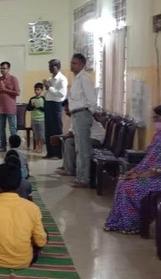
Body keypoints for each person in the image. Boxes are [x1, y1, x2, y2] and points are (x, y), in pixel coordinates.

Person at [104, 104, 161, 234]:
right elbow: (149, 160)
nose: (155, 121)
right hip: (154, 175)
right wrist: (135, 171)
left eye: (158, 118)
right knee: (122, 181)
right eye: (154, 118)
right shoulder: (160, 135)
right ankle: (119, 222)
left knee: (129, 187)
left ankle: (133, 225)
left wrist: (139, 176)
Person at [52, 100, 105, 176]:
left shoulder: (81, 116)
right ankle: (66, 166)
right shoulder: (76, 115)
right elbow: (72, 132)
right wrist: (60, 137)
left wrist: (58, 137)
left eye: (67, 110)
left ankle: (70, 170)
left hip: (96, 139)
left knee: (69, 141)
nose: (66, 113)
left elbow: (72, 134)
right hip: (88, 137)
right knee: (65, 140)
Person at [69, 54, 98, 188]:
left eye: (74, 63)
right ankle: (80, 176)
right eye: (72, 62)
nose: (72, 65)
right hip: (76, 115)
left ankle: (84, 179)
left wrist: (87, 113)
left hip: (82, 115)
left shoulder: (85, 78)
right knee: (79, 148)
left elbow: (91, 100)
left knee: (83, 148)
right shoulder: (76, 78)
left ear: (82, 65)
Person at [42, 59, 69, 159]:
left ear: (57, 66)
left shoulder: (62, 79)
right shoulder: (51, 78)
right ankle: (50, 152)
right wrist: (46, 88)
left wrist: (49, 88)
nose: (49, 68)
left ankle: (58, 154)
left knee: (56, 129)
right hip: (48, 103)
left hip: (56, 105)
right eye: (49, 66)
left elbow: (62, 94)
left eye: (51, 66)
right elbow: (48, 92)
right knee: (48, 129)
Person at [0, 61, 21, 152]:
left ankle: (14, 148)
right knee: (1, 129)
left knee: (12, 128)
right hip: (0, 108)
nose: (2, 70)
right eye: (1, 68)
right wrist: (0, 90)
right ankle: (3, 147)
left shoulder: (13, 79)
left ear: (8, 69)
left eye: (4, 68)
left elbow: (18, 92)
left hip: (10, 108)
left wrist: (5, 89)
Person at [26, 83, 46, 154]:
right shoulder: (32, 99)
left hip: (41, 119)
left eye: (38, 89)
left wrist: (39, 107)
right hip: (34, 119)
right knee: (35, 134)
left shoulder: (43, 99)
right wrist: (33, 106)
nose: (36, 91)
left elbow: (46, 109)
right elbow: (28, 108)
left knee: (41, 134)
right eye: (35, 89)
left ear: (41, 90)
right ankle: (36, 147)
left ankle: (41, 148)